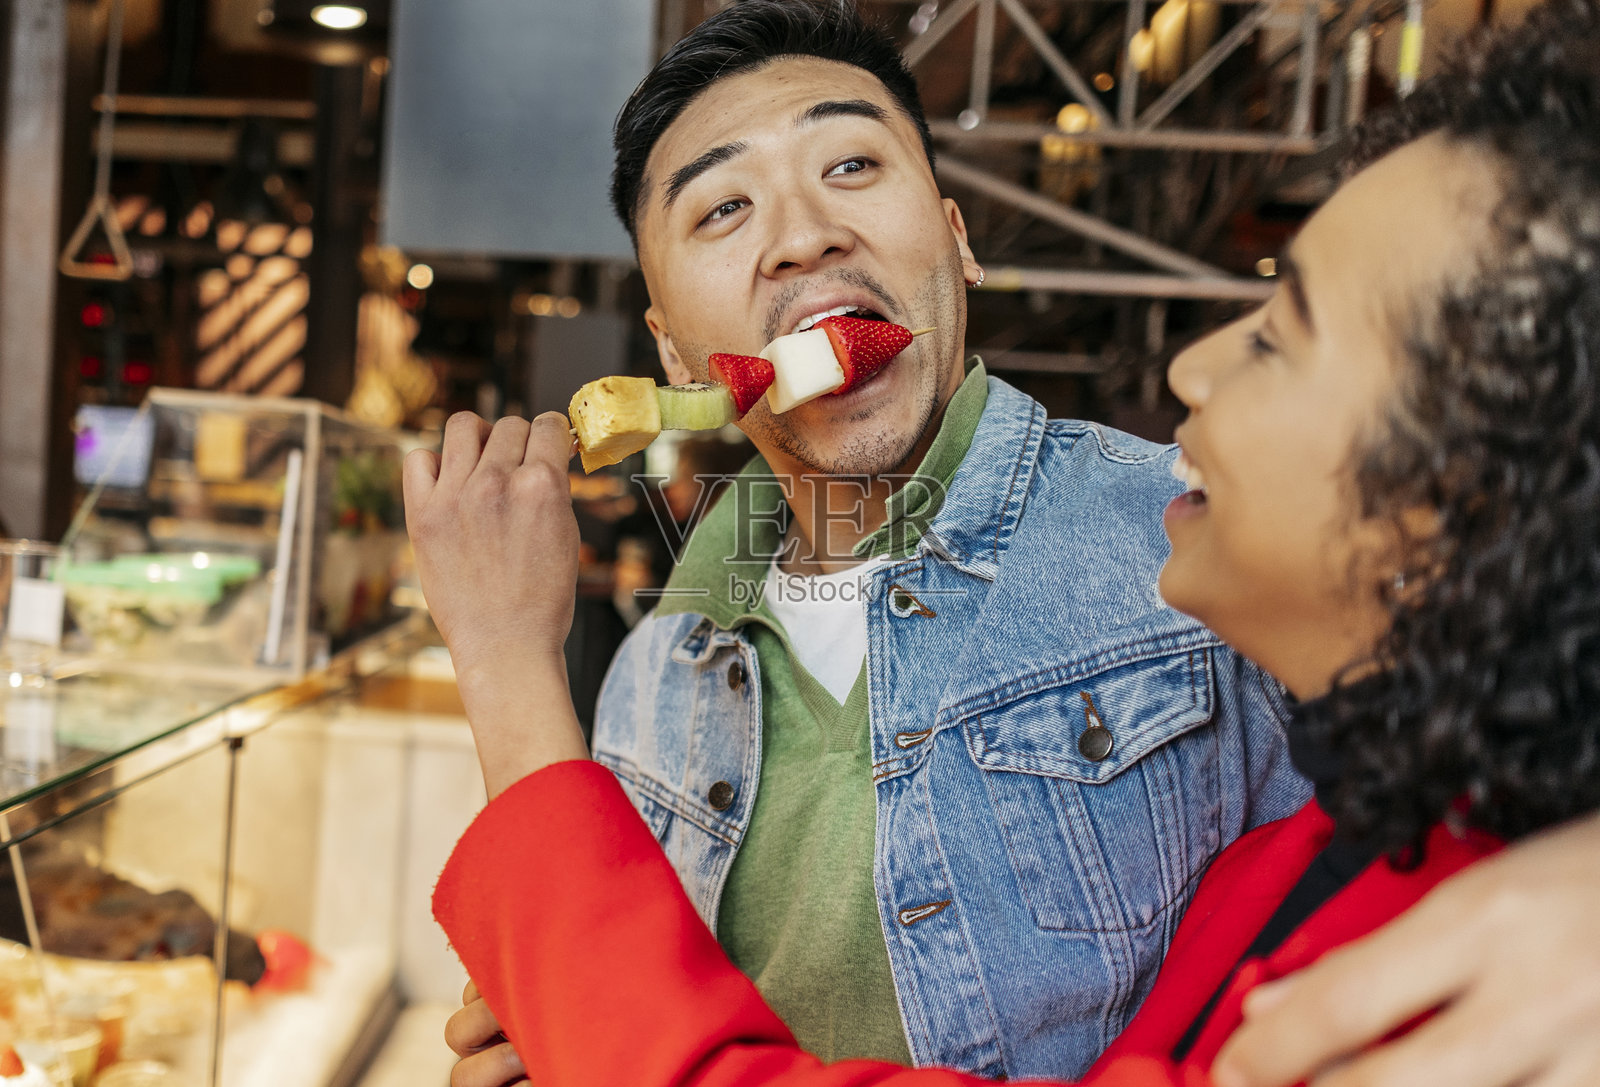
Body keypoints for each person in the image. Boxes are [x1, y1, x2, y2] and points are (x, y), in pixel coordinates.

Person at [405, 1, 1600, 1084]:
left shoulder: (1214, 561)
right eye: (724, 208)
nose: (803, 236)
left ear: (956, 238)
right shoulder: (652, 674)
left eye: (854, 165)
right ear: (672, 354)